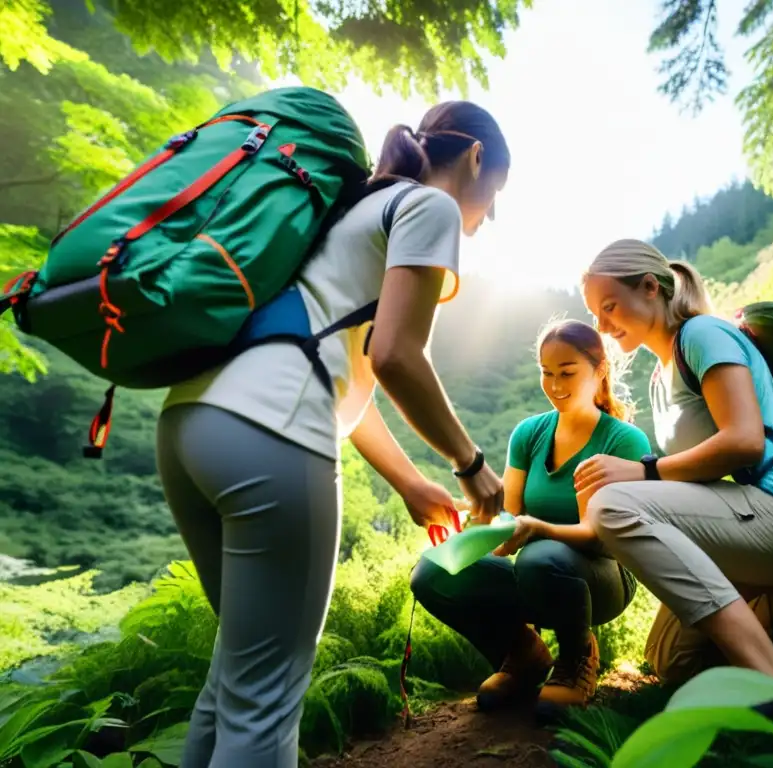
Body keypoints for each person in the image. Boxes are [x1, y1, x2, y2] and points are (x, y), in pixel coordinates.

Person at [155, 101, 510, 768]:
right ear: (475, 160)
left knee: (237, 676)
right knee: (264, 703)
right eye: (497, 196)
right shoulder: (426, 208)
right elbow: (397, 357)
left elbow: (340, 370)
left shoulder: (343, 210)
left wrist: (408, 480)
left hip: (191, 424)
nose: (488, 215)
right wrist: (470, 463)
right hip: (272, 432)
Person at [575, 239, 773, 710]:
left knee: (612, 504)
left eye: (609, 307)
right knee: (669, 657)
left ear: (650, 288)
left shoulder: (702, 336)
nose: (603, 326)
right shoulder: (659, 377)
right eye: (595, 313)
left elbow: (743, 441)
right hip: (740, 522)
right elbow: (690, 481)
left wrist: (640, 471)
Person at [410, 318, 651, 713]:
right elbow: (510, 513)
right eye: (547, 373)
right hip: (535, 571)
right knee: (433, 572)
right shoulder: (528, 433)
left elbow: (601, 537)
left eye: (567, 373)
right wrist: (469, 515)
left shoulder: (623, 441)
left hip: (603, 577)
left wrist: (539, 529)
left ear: (600, 369)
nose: (555, 386)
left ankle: (577, 658)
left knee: (541, 557)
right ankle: (523, 654)